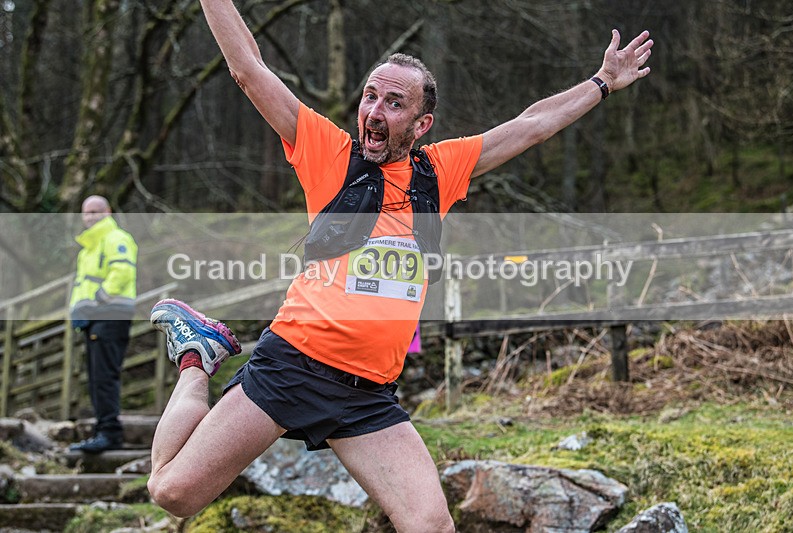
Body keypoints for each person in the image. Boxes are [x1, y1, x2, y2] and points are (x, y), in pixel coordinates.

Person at [146, 1, 653, 529]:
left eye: (393, 102)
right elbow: (248, 70)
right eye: (370, 96)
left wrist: (600, 82)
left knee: (432, 526)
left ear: (420, 122)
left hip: (368, 397)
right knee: (173, 492)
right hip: (292, 368)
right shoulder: (330, 154)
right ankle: (195, 358)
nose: (375, 110)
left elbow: (531, 125)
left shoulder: (440, 171)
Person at [68, 195, 138, 453]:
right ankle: (103, 430)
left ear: (108, 212)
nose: (91, 216)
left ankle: (109, 433)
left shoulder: (116, 238)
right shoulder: (88, 248)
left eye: (96, 211)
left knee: (104, 376)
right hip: (95, 317)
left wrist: (99, 299)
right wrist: (78, 310)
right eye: (86, 212)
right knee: (97, 376)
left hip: (111, 313)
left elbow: (122, 272)